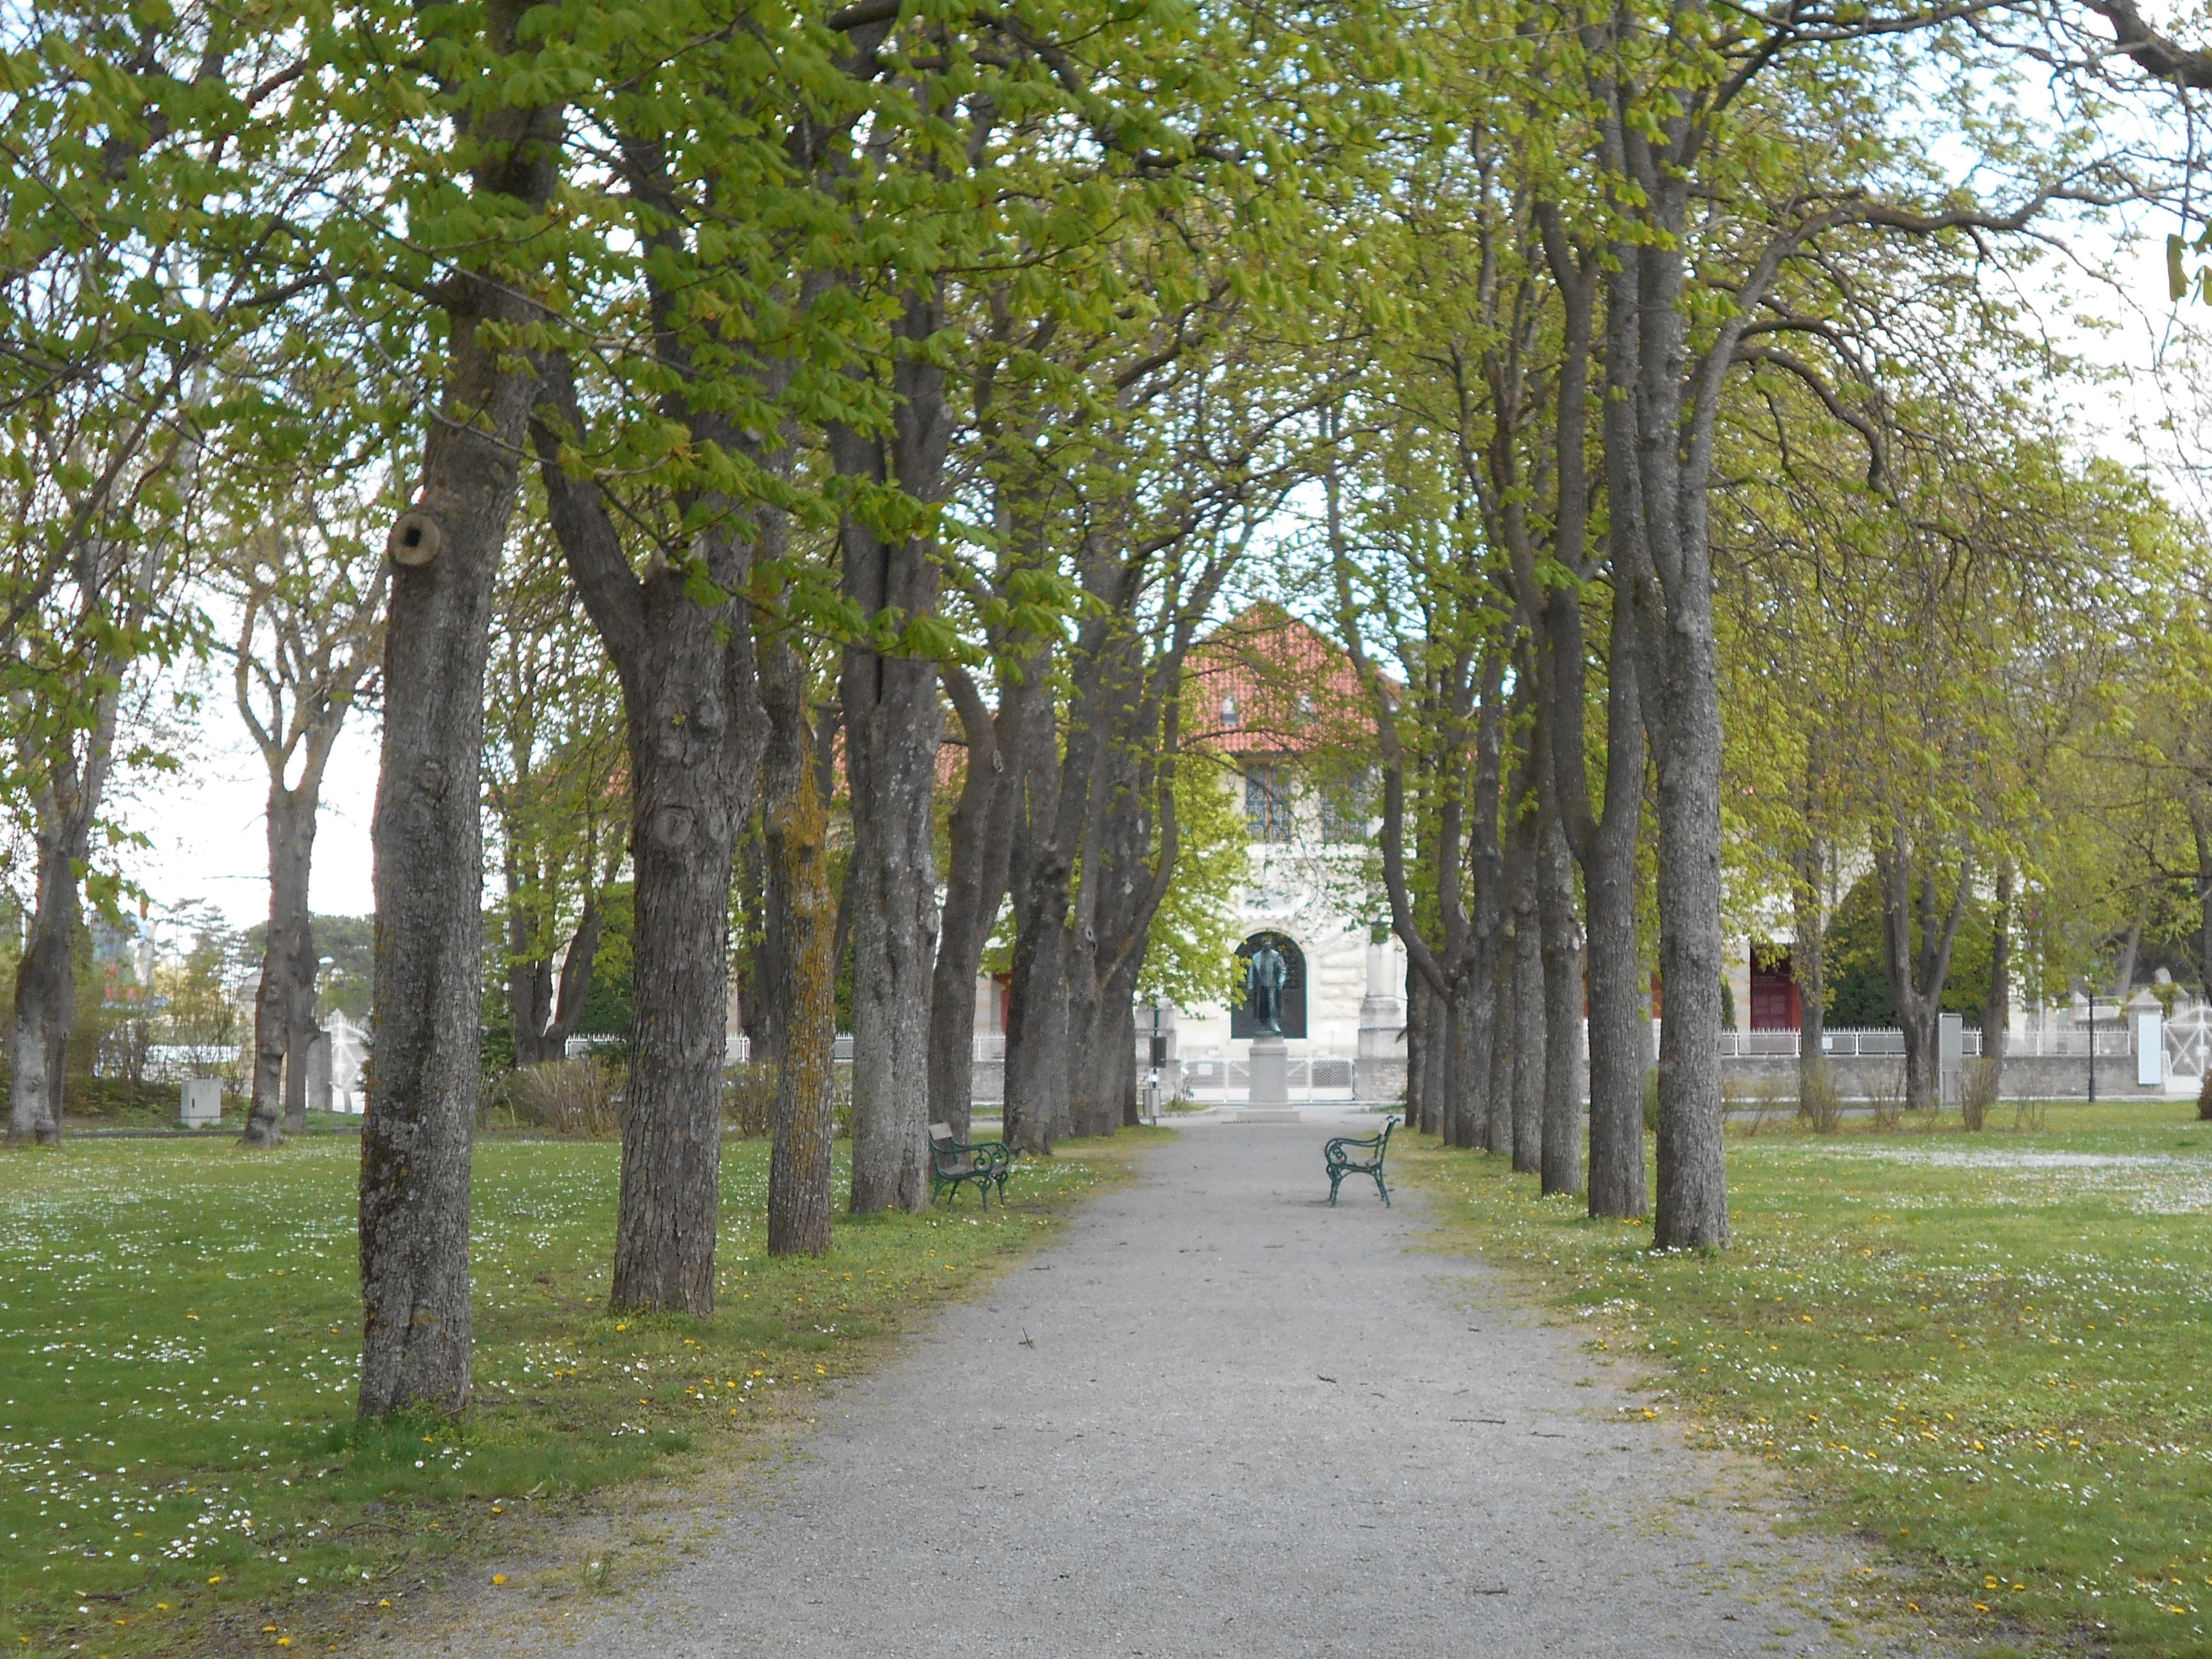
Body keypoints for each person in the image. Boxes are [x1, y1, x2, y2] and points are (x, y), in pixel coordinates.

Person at [1246, 939, 1288, 1036]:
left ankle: (1274, 1024)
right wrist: (1250, 985)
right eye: (1265, 944)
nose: (1267, 946)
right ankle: (1263, 1025)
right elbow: (1252, 972)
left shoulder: (1276, 956)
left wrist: (1281, 981)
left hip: (1273, 985)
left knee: (1273, 1006)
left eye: (1268, 944)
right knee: (1262, 1006)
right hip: (1260, 987)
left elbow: (1282, 969)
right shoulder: (1256, 957)